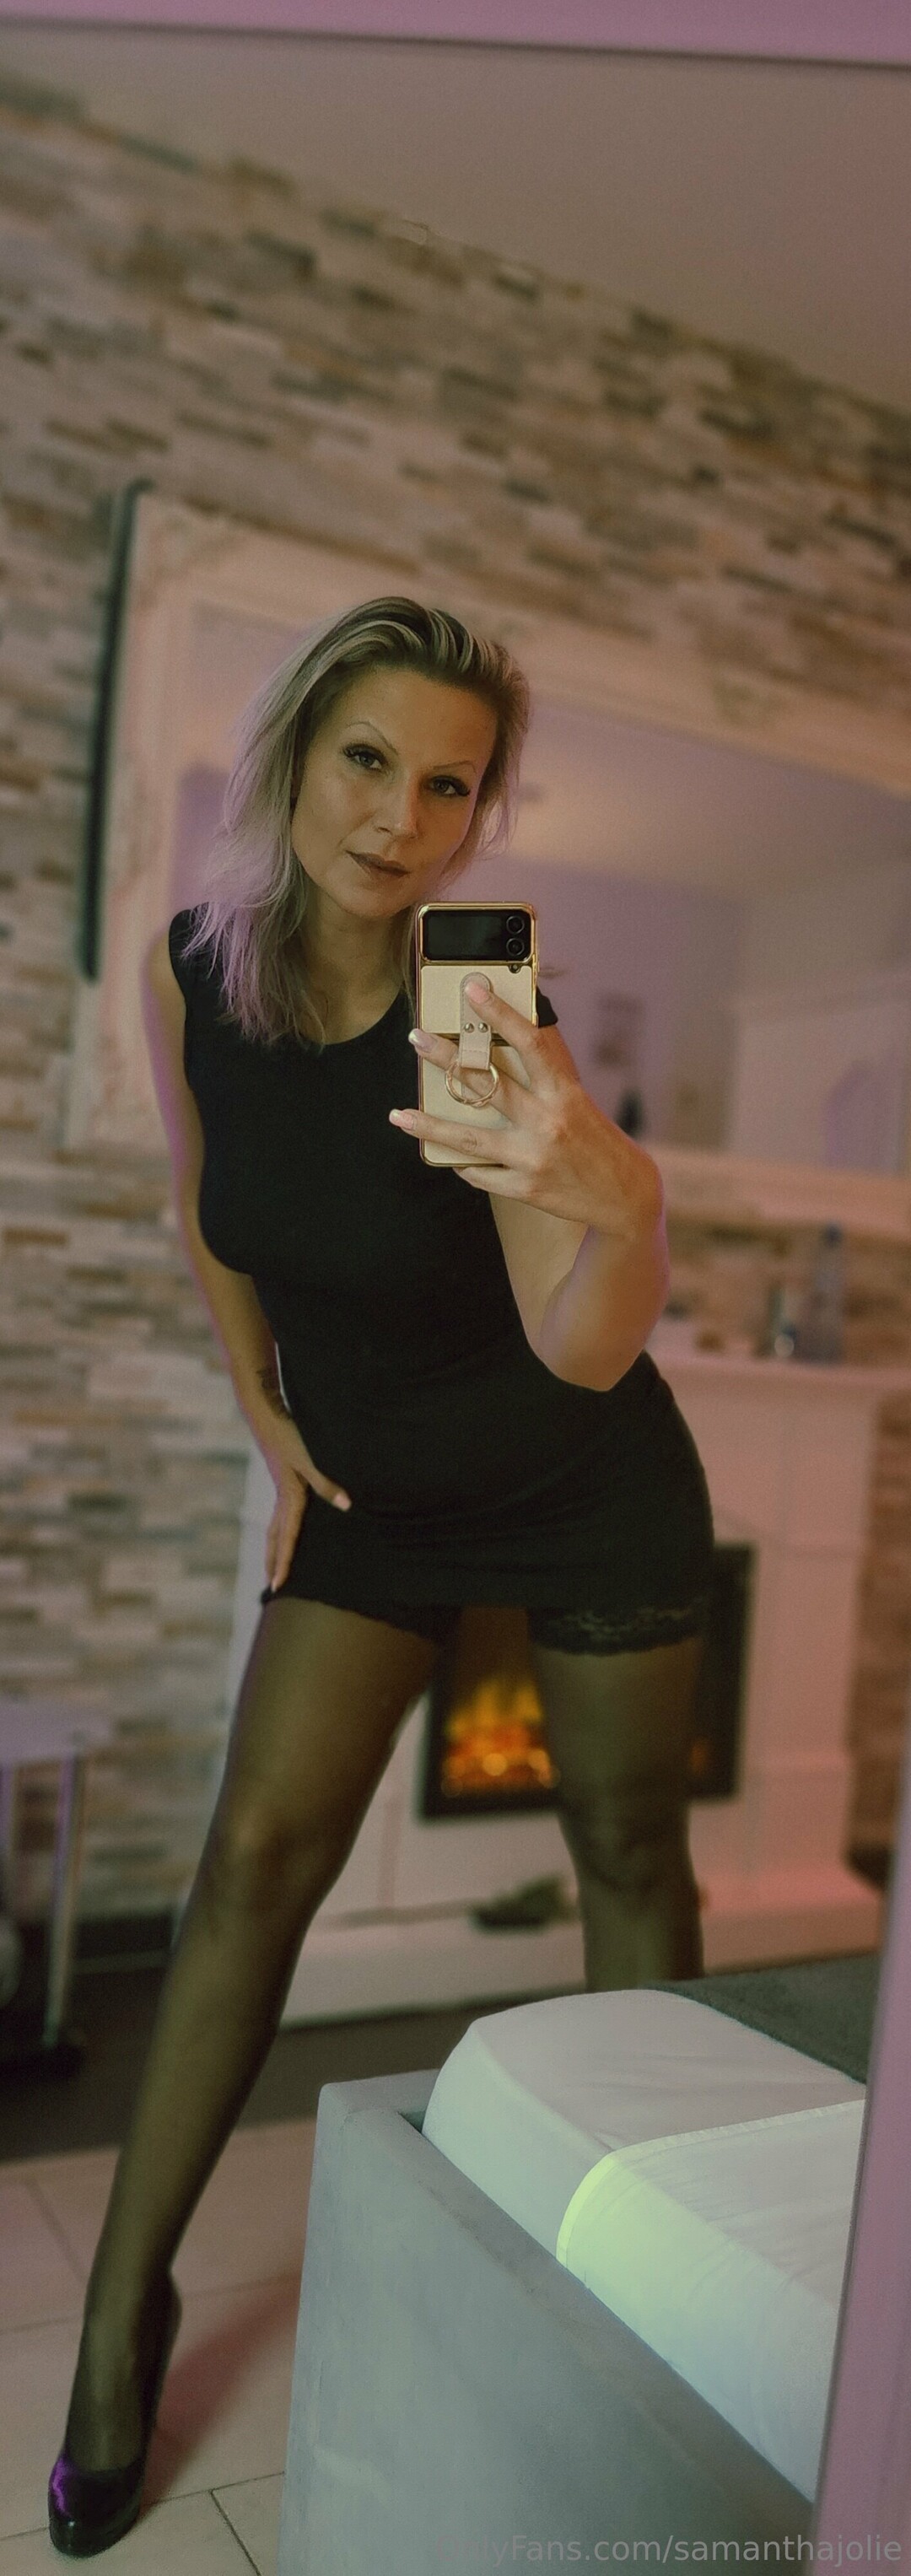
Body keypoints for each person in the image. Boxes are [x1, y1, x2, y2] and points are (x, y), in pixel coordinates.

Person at [49, 596, 714, 2556]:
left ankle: (660, 2278)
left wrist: (627, 1207)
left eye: (449, 784)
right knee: (254, 1862)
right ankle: (120, 2317)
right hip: (373, 1502)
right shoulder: (191, 971)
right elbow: (212, 1201)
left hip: (581, 1480)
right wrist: (259, 1407)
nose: (402, 818)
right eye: (368, 761)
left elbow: (578, 1347)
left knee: (627, 1851)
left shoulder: (480, 1007)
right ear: (293, 750)